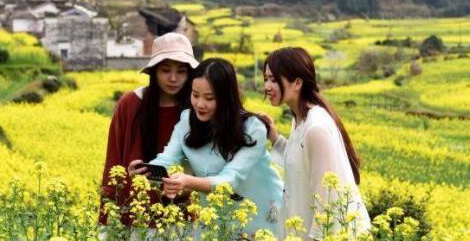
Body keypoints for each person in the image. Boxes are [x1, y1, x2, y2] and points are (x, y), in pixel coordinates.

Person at [150, 58, 283, 236]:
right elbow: (167, 158)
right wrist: (146, 170)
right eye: (195, 95)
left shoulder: (253, 128)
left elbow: (230, 179)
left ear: (226, 98)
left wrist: (187, 181)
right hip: (215, 216)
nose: (200, 104)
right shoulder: (186, 121)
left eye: (209, 98)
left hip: (260, 214)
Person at [261, 47, 370, 240]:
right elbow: (301, 162)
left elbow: (326, 202)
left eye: (274, 80)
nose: (267, 86)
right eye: (266, 79)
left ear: (297, 83)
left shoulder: (316, 128)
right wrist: (275, 139)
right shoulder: (300, 119)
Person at [99, 32, 199, 227]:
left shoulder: (197, 109)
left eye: (181, 71)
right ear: (154, 71)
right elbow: (113, 158)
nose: (173, 78)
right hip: (134, 214)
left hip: (180, 217)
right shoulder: (131, 104)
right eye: (165, 70)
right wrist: (106, 215)